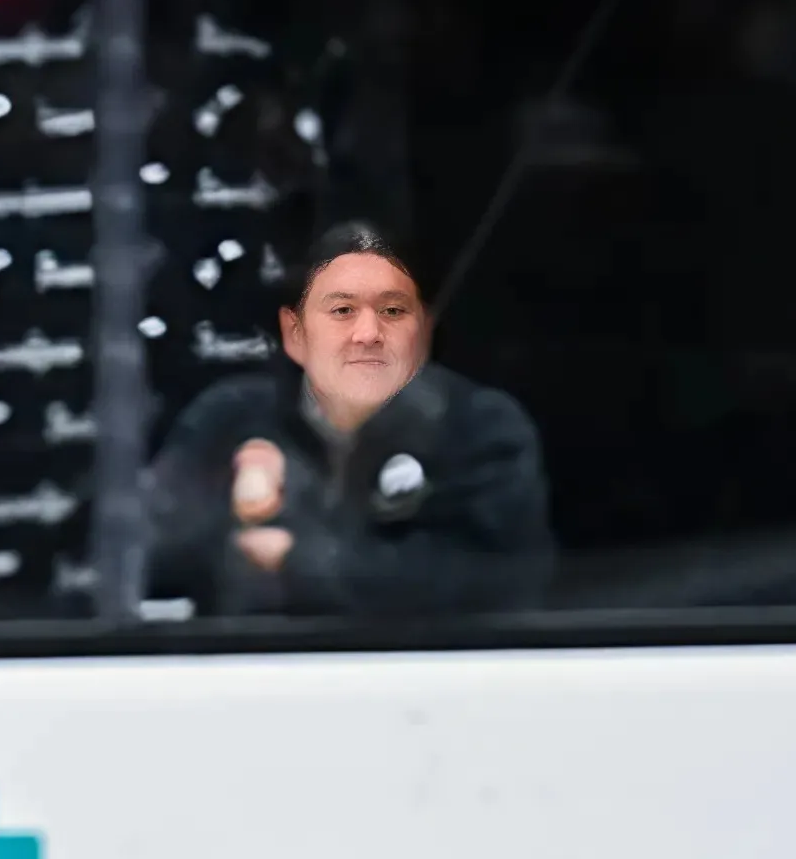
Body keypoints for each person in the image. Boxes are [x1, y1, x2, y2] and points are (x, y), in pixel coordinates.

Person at [139, 216, 550, 621]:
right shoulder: (228, 420)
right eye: (342, 310)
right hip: (258, 677)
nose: (367, 333)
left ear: (424, 332)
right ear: (295, 333)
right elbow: (145, 553)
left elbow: (496, 582)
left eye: (392, 310)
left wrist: (293, 559)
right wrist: (225, 510)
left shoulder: (482, 428)